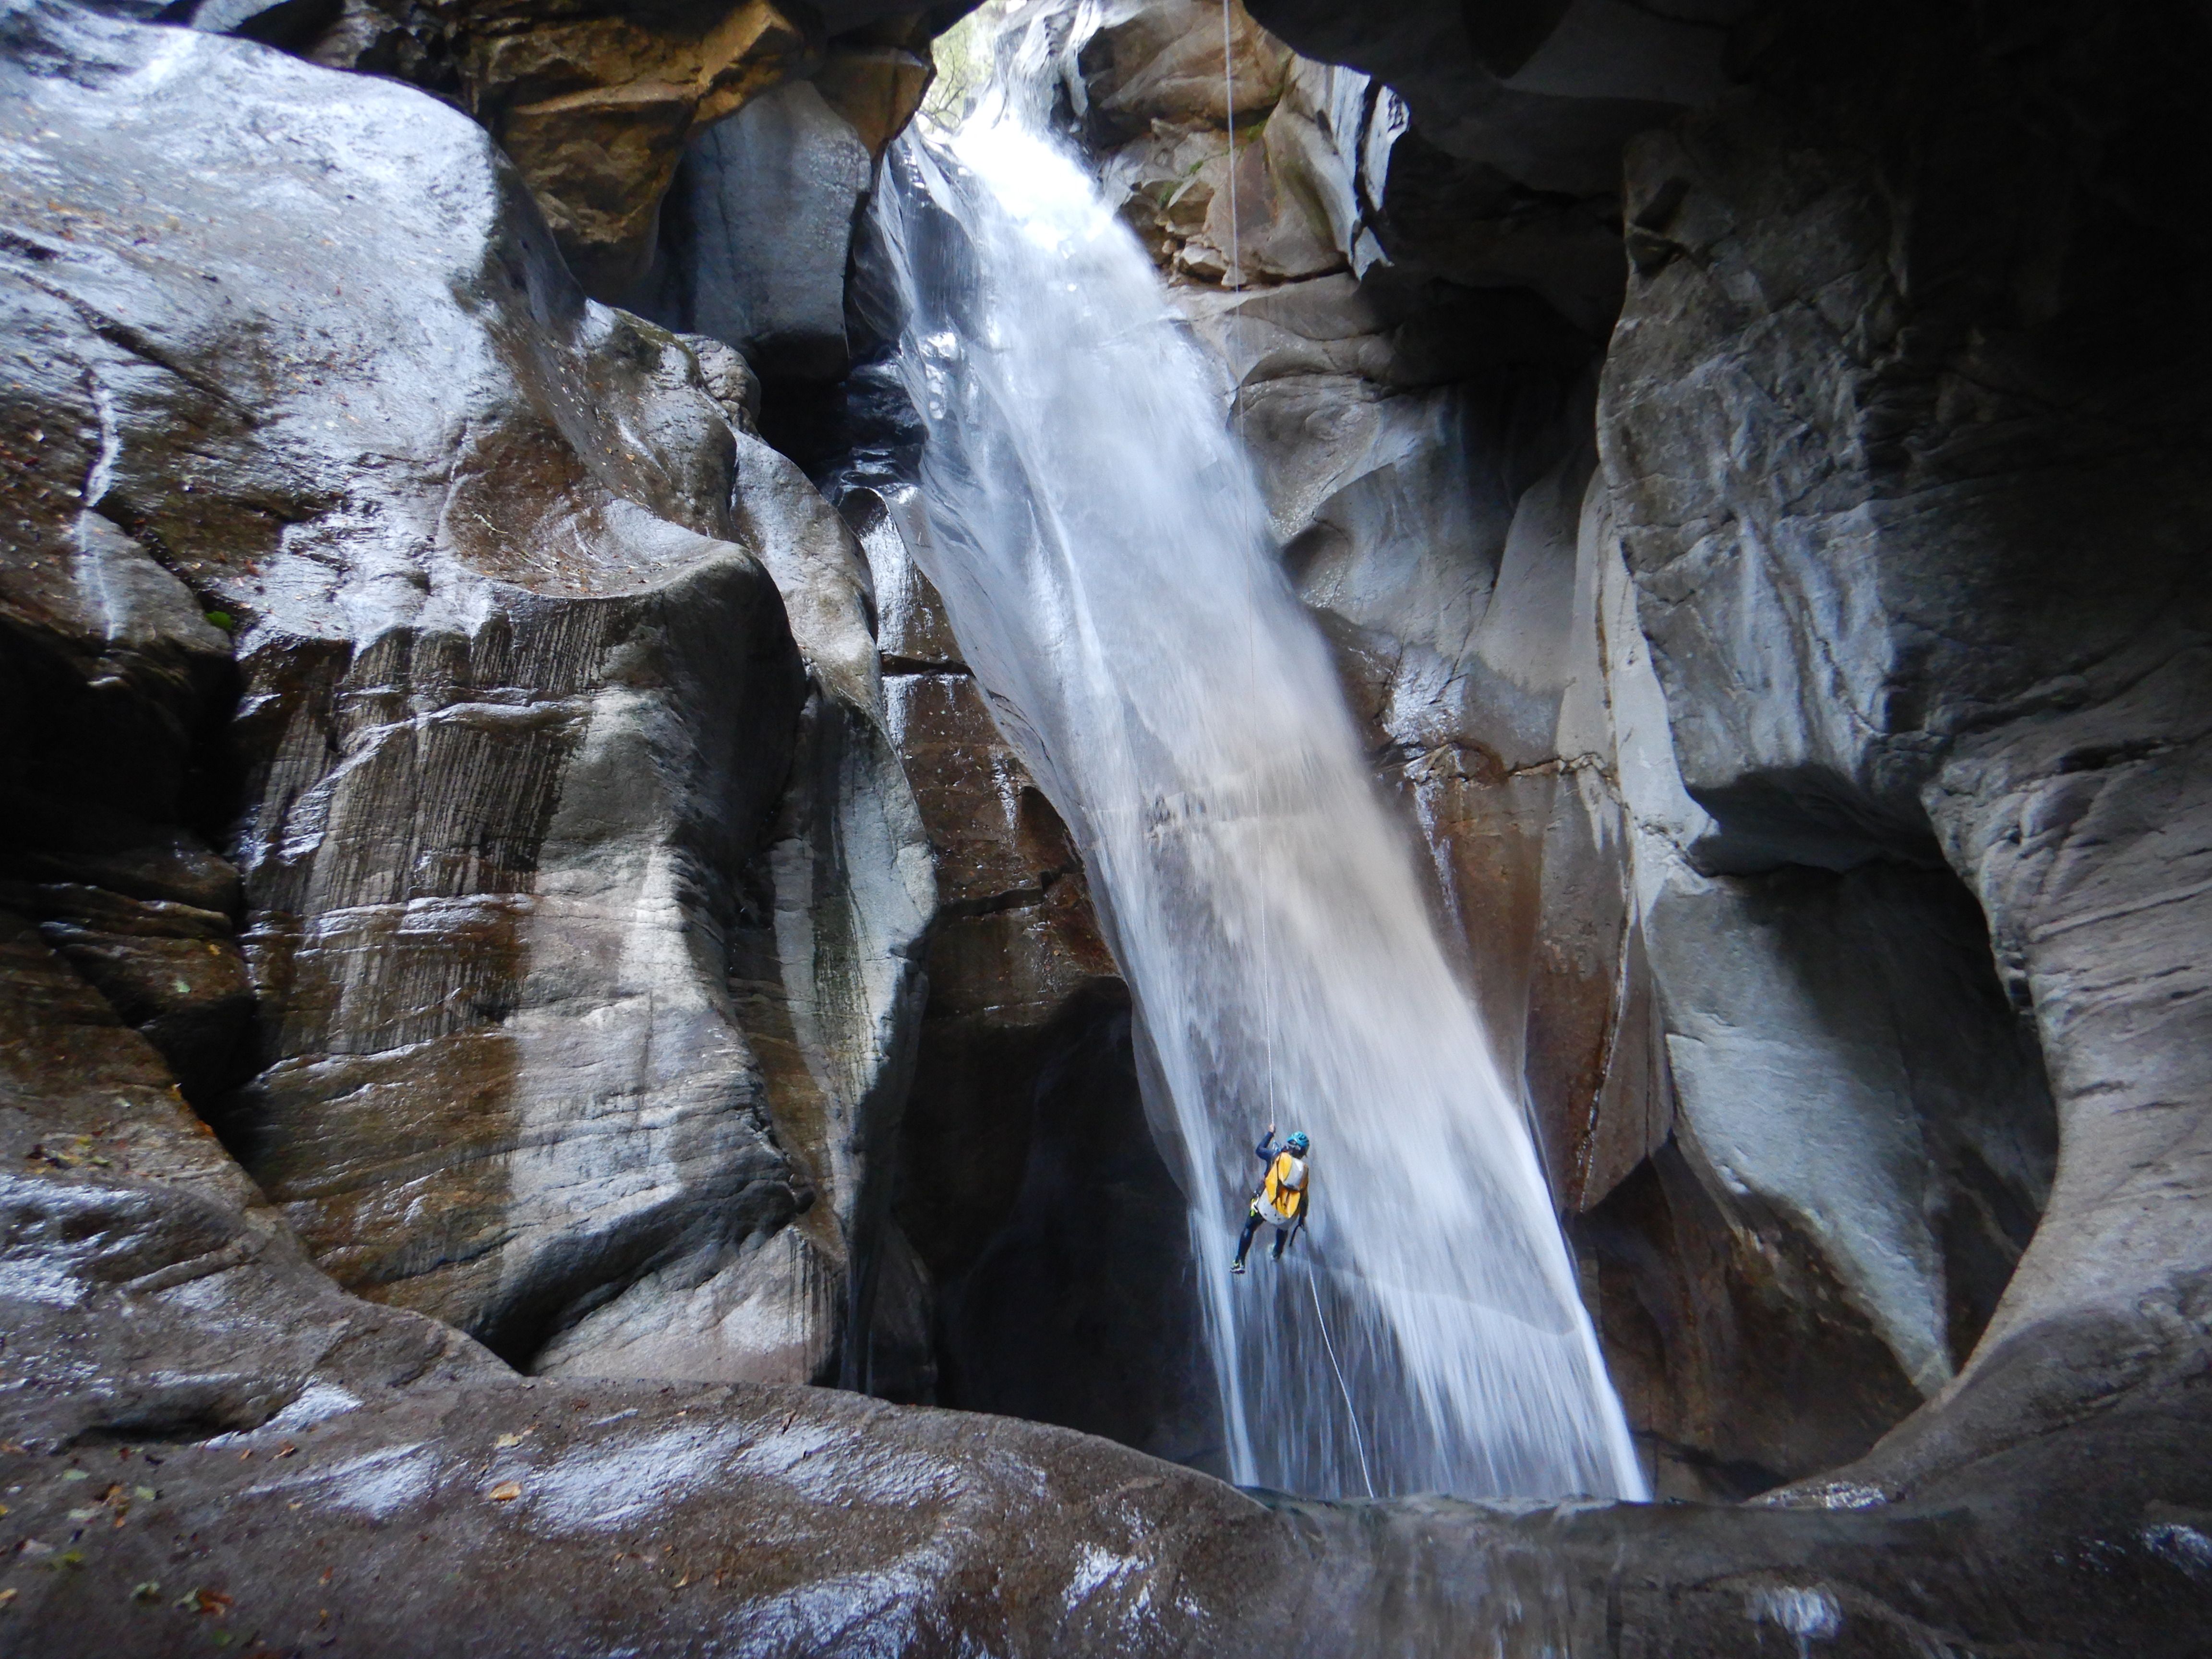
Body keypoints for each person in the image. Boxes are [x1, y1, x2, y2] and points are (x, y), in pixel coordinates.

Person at [1232, 1122, 1309, 1274]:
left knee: (1250, 1227)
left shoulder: (1276, 1156)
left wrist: (1270, 1133)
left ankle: (1239, 1261)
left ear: (1289, 1145)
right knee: (1283, 1228)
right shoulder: (1304, 1172)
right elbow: (1304, 1199)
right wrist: (1302, 1220)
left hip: (1266, 1206)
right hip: (1286, 1213)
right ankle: (1277, 1253)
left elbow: (1259, 1150)